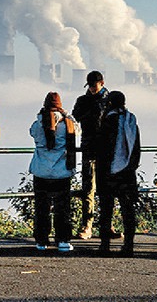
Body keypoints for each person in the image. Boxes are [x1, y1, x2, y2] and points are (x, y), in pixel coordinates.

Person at [28, 92, 76, 252]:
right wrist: (66, 114)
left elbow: (31, 132)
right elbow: (78, 129)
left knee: (41, 208)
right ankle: (63, 240)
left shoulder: (38, 123)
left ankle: (41, 241)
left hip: (41, 172)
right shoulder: (67, 124)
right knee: (62, 209)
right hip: (61, 172)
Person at [95, 90, 140, 257]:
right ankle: (129, 244)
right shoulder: (131, 121)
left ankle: (104, 244)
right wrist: (132, 166)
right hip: (127, 172)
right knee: (128, 209)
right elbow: (136, 147)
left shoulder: (108, 121)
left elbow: (101, 149)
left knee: (106, 209)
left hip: (109, 172)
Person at [71, 70, 108, 239]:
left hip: (104, 149)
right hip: (90, 148)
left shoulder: (109, 100)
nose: (92, 89)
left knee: (105, 189)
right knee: (88, 189)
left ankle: (107, 225)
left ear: (101, 83)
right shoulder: (84, 100)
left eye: (94, 85)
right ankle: (87, 226)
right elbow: (76, 116)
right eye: (91, 86)